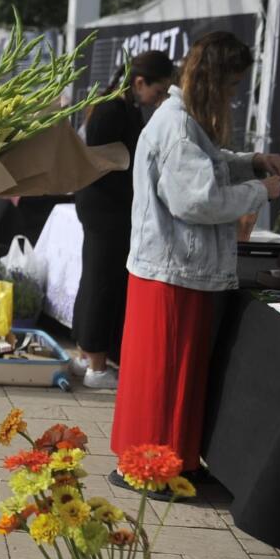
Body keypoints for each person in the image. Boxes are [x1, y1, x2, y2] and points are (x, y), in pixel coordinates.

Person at [109, 32, 280, 494]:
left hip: (176, 267)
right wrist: (257, 191)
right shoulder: (178, 124)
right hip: (171, 269)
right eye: (231, 86)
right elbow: (197, 199)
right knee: (164, 375)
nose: (232, 96)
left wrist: (251, 163)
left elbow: (209, 166)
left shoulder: (183, 119)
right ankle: (152, 465)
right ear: (215, 81)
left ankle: (171, 462)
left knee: (174, 373)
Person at [71, 51, 175, 390]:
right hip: (106, 208)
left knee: (96, 279)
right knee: (102, 282)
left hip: (107, 206)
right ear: (140, 82)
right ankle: (96, 365)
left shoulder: (124, 108)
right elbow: (106, 165)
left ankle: (87, 355)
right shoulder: (112, 110)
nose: (158, 101)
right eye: (158, 92)